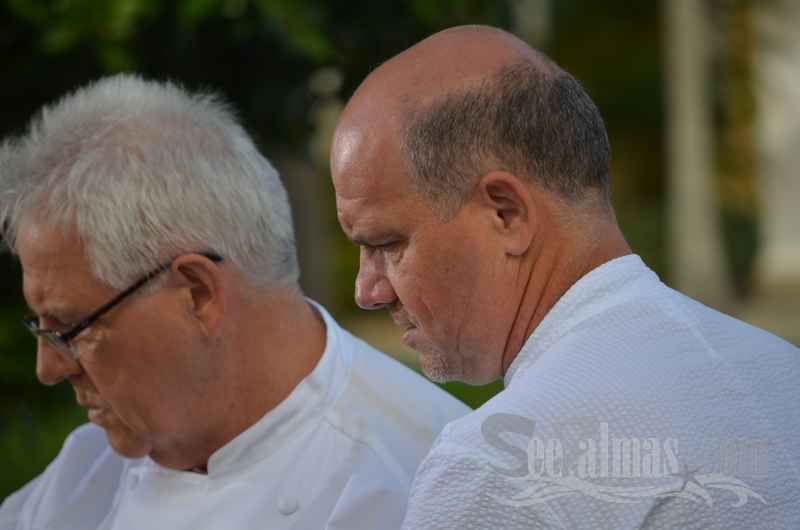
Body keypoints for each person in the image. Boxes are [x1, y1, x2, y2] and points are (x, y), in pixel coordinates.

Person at [331, 25, 800, 529]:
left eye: (386, 244)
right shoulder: (782, 372)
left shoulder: (497, 471)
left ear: (506, 213)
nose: (367, 291)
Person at [0, 74, 469, 530]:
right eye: (41, 327)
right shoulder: (85, 469)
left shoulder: (431, 485)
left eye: (70, 327)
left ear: (197, 295)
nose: (49, 367)